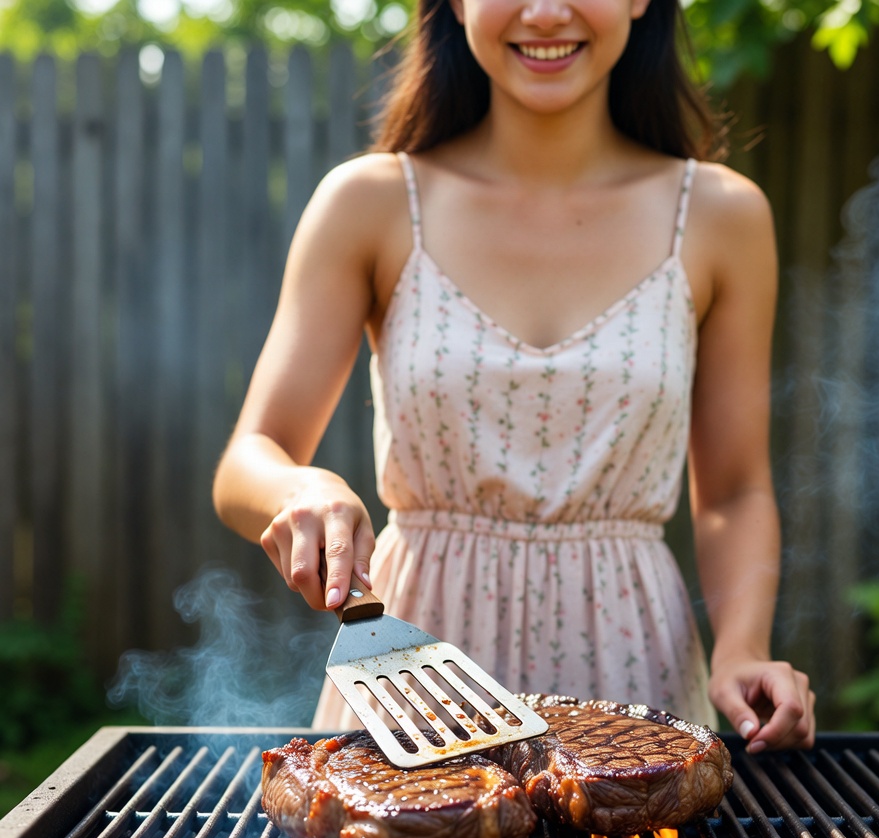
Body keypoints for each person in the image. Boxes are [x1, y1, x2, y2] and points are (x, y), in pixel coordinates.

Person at [212, 0, 817, 753]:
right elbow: (251, 455)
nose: (544, 11)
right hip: (411, 675)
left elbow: (733, 490)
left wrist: (742, 649)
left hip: (632, 673)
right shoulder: (369, 202)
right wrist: (303, 489)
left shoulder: (723, 215)